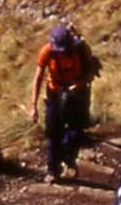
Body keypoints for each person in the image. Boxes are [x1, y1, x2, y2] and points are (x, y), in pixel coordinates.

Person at [30, 23, 96, 181]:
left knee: (76, 130)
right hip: (55, 92)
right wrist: (33, 106)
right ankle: (53, 170)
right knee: (53, 131)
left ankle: (67, 156)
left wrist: (79, 84)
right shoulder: (47, 52)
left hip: (78, 92)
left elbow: (91, 72)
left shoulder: (81, 50)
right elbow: (38, 77)